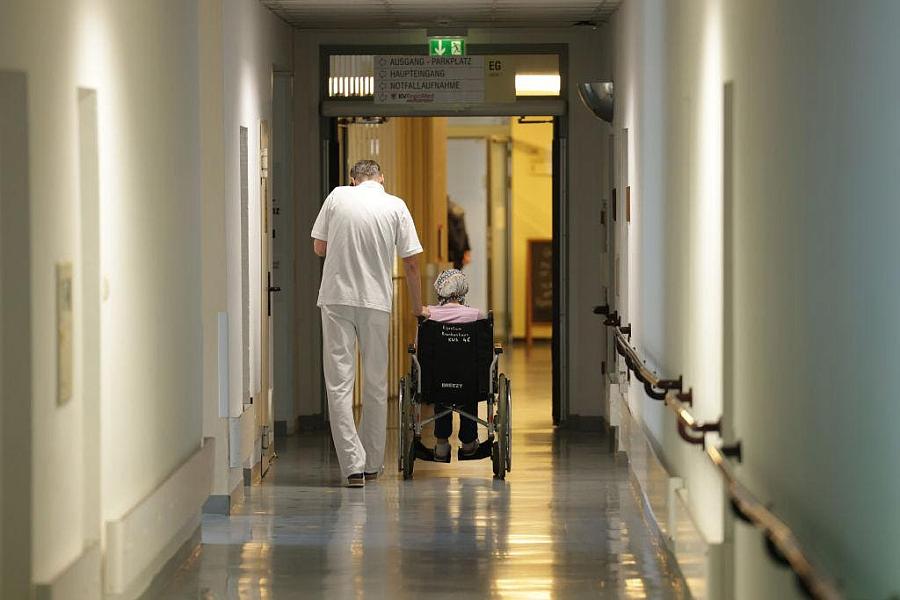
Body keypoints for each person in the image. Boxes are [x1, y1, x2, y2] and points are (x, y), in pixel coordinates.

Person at [312, 159, 425, 487]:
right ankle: (373, 463)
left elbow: (319, 247)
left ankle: (352, 465)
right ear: (382, 178)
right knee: (376, 384)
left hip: (335, 298)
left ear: (353, 179)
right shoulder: (395, 205)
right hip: (376, 301)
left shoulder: (336, 196)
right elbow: (412, 263)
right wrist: (418, 309)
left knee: (339, 384)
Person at [423, 269, 486, 462]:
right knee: (469, 384)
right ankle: (468, 443)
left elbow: (420, 350)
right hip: (469, 382)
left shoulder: (429, 315)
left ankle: (441, 444)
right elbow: (484, 354)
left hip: (436, 381)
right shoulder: (477, 316)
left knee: (440, 385)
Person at [447, 198, 471, 270]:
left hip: (453, 255)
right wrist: (467, 250)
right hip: (456, 255)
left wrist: (467, 250)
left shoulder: (448, 209)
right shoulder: (456, 209)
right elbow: (464, 233)